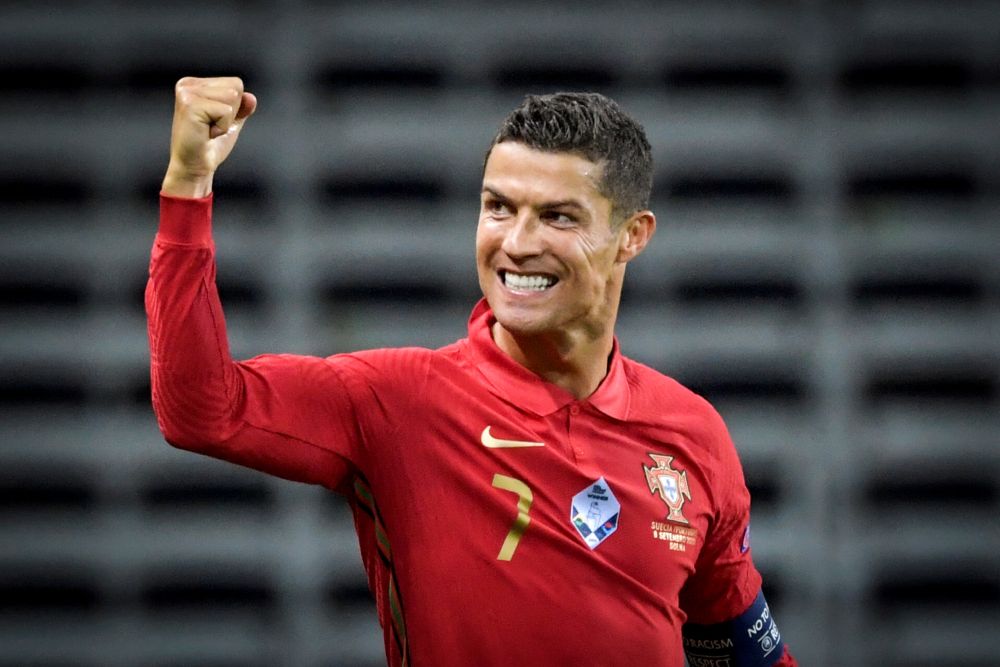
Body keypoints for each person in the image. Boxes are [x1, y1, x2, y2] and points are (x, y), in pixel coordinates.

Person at [147, 76, 798, 666]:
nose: (515, 243)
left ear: (633, 235)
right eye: (498, 207)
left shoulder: (693, 433)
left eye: (558, 216)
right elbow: (200, 410)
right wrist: (187, 185)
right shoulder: (396, 401)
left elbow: (742, 652)